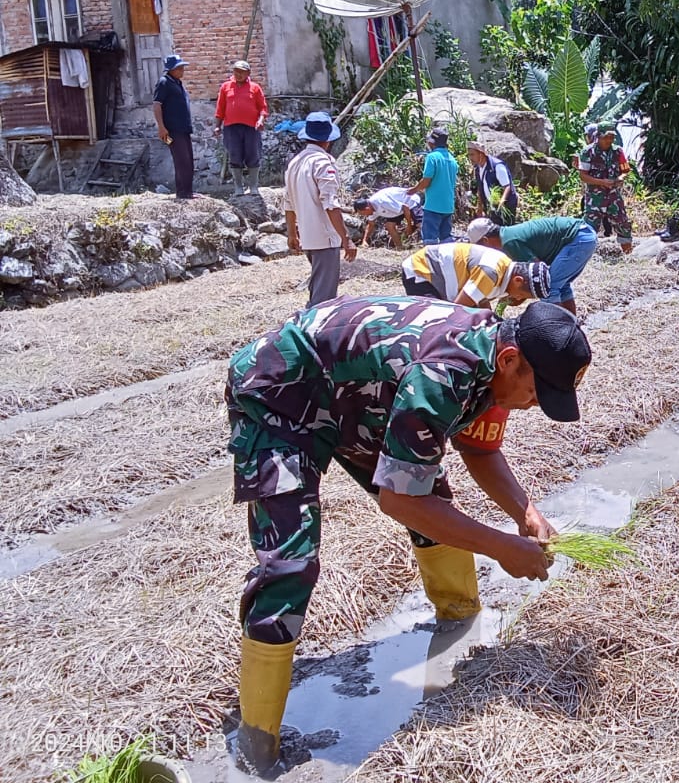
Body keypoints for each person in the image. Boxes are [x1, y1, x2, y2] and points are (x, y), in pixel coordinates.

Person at [226, 297, 591, 772]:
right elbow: (402, 501)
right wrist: (502, 547)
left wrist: (525, 513)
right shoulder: (444, 374)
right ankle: (256, 747)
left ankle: (459, 623)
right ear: (509, 360)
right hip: (283, 393)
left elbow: (478, 452)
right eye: (537, 391)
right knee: (290, 564)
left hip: (355, 397)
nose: (535, 404)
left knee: (432, 494)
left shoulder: (496, 366)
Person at [282, 112, 357, 307]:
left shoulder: (294, 163)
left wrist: (292, 233)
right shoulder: (323, 163)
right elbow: (331, 204)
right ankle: (314, 332)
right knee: (324, 300)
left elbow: (288, 203)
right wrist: (346, 238)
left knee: (318, 288)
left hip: (308, 237)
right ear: (328, 141)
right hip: (325, 237)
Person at [467, 215, 596, 316]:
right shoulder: (507, 236)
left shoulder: (509, 243)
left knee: (549, 289)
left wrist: (518, 296)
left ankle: (558, 331)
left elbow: (539, 275)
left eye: (479, 247)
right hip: (584, 234)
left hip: (578, 238)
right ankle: (572, 326)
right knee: (561, 286)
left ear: (485, 241)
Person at [401, 241, 551, 308]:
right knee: (435, 320)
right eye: (522, 295)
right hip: (421, 271)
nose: (518, 298)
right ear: (518, 280)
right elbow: (458, 308)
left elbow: (480, 301)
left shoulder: (504, 267)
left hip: (439, 277)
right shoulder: (491, 272)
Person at [214, 60, 269, 195]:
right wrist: (217, 126)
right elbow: (220, 109)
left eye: (242, 72)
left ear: (248, 73)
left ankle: (253, 186)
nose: (238, 74)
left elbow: (263, 108)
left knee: (253, 154)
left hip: (251, 128)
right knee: (234, 155)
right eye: (236, 71)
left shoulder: (255, 88)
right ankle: (238, 187)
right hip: (231, 128)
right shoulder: (226, 87)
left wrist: (261, 120)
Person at [578, 121, 633, 253]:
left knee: (623, 224)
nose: (609, 140)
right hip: (595, 198)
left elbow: (625, 170)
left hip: (614, 197)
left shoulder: (618, 151)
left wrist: (621, 178)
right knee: (589, 228)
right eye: (606, 137)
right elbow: (583, 176)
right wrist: (601, 182)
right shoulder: (587, 152)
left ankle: (628, 255)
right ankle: (583, 257)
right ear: (598, 136)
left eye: (611, 137)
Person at [152, 54, 196, 200]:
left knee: (188, 160)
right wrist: (161, 127)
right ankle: (182, 193)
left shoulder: (177, 83)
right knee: (181, 160)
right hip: (172, 131)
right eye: (179, 68)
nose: (182, 70)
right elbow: (157, 105)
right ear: (171, 69)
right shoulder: (164, 82)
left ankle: (188, 191)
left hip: (183, 129)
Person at [409, 127, 458, 244]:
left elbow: (427, 181)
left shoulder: (432, 157)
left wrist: (414, 190)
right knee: (446, 238)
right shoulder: (452, 160)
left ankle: (431, 261)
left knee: (430, 239)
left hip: (433, 206)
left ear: (432, 142)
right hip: (448, 206)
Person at [466, 140, 518, 225]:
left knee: (507, 230)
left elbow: (507, 186)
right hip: (491, 206)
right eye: (469, 155)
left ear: (481, 154)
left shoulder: (497, 166)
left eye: (472, 154)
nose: (470, 158)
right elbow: (480, 187)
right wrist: (480, 206)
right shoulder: (478, 169)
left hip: (506, 205)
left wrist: (502, 202)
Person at [354, 186, 422, 249]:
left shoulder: (382, 202)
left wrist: (409, 226)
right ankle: (400, 248)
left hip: (410, 201)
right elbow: (371, 224)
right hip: (396, 209)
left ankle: (427, 244)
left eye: (363, 214)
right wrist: (364, 240)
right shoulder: (371, 208)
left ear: (367, 208)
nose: (365, 216)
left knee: (420, 224)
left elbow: (405, 208)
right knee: (389, 225)